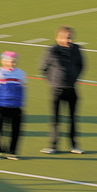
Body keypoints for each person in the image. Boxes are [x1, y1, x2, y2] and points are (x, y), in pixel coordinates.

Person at [39, 26, 84, 154]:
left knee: (72, 118)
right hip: (56, 90)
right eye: (64, 37)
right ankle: (53, 146)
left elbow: (81, 65)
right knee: (55, 119)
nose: (67, 40)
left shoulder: (76, 49)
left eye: (69, 37)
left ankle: (74, 145)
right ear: (57, 38)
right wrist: (52, 81)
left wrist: (74, 78)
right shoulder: (52, 50)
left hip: (71, 89)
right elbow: (43, 68)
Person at [0, 50, 27, 161]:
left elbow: (22, 90)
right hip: (1, 106)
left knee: (15, 130)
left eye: (14, 61)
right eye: (11, 61)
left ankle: (12, 152)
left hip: (16, 106)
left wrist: (20, 103)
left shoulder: (20, 73)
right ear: (3, 61)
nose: (13, 63)